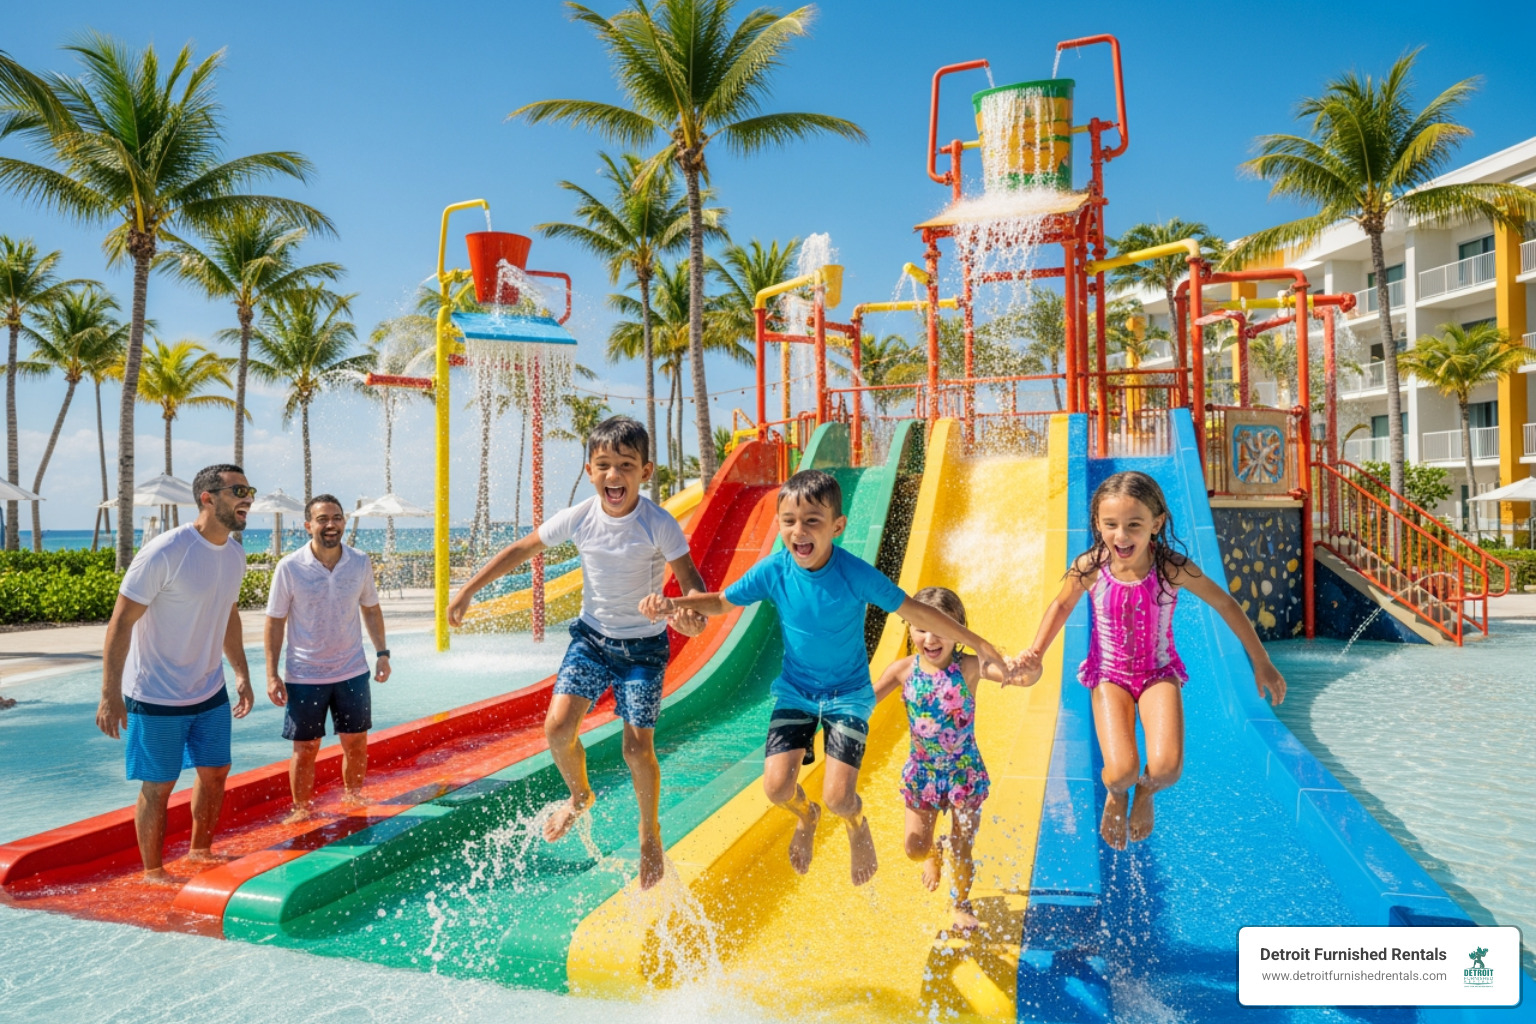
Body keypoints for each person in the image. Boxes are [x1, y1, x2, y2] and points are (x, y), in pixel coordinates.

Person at [640, 470, 1021, 887]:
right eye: (789, 521)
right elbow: (718, 602)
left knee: (840, 797)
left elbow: (916, 611)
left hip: (848, 697)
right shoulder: (774, 570)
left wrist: (978, 642)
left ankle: (856, 824)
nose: (798, 531)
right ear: (779, 524)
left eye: (812, 521)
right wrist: (670, 604)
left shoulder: (855, 574)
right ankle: (807, 815)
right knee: (776, 789)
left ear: (837, 526)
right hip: (796, 693)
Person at [447, 416, 707, 891]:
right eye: (604, 465)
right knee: (557, 728)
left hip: (643, 650)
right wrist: (468, 589)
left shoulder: (658, 523)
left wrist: (686, 613)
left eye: (625, 465)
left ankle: (649, 833)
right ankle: (579, 795)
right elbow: (521, 549)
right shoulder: (581, 516)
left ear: (645, 471)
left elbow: (692, 586)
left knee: (636, 748)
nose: (614, 475)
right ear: (589, 471)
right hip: (591, 641)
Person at [1020, 470, 1286, 850]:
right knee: (1120, 772)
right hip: (1109, 674)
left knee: (1166, 770)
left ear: (1156, 523)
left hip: (1158, 673)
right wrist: (1036, 652)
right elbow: (1061, 605)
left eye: (1134, 525)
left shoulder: (1170, 567)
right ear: (1097, 522)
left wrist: (1261, 661)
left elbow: (1225, 604)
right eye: (1110, 524)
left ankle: (1145, 792)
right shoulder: (1091, 566)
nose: (1121, 536)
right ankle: (1117, 793)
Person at [95, 464, 256, 881]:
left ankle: (200, 851)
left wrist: (241, 671)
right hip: (155, 693)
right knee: (159, 785)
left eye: (249, 491)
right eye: (238, 491)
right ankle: (154, 871)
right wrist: (110, 694)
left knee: (216, 772)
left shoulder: (235, 554)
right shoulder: (166, 551)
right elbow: (120, 623)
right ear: (208, 498)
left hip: (209, 689)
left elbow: (229, 615)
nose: (247, 499)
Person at [872, 586, 1038, 933]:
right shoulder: (902, 670)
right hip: (924, 774)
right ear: (909, 628)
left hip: (964, 773)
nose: (930, 638)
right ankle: (935, 850)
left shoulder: (970, 667)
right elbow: (864, 702)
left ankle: (961, 903)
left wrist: (1031, 669)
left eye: (941, 628)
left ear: (959, 630)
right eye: (921, 628)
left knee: (963, 847)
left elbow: (1020, 677)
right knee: (915, 850)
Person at [264, 493, 391, 823]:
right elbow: (275, 621)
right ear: (309, 525)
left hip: (352, 670)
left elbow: (371, 609)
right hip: (305, 675)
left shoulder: (360, 562)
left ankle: (354, 797)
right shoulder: (290, 567)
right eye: (322, 519)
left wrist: (382, 653)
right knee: (305, 748)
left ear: (344, 522)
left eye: (336, 518)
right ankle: (302, 810)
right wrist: (272, 674)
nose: (331, 525)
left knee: (356, 742)